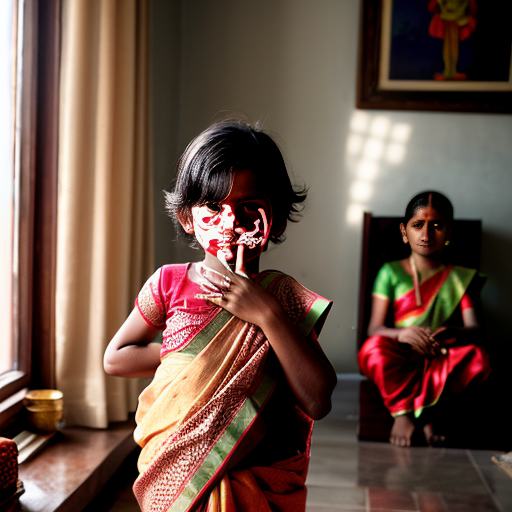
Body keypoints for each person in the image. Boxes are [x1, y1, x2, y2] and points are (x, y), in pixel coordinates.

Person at [103, 120, 336, 512]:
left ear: (275, 218)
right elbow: (116, 357)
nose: (231, 222)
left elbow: (318, 400)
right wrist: (190, 360)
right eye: (213, 206)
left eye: (249, 207)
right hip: (179, 474)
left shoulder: (283, 297)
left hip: (260, 481)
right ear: (187, 218)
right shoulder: (169, 283)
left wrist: (267, 315)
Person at [358, 191, 490, 447]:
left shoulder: (459, 277)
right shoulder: (390, 272)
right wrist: (402, 334)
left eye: (437, 226)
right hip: (399, 350)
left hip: (438, 351)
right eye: (418, 225)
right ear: (404, 232)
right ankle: (404, 415)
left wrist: (451, 332)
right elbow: (374, 329)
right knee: (372, 349)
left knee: (478, 359)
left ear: (449, 233)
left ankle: (428, 414)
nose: (427, 235)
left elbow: (475, 330)